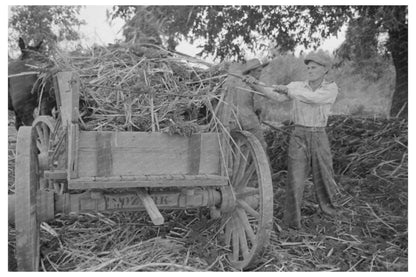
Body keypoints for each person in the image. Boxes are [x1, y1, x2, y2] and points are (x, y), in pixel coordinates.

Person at [242, 51, 339, 230]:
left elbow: (313, 99)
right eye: (308, 67)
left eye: (314, 68)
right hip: (299, 134)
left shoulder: (330, 88)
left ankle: (329, 214)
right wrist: (256, 85)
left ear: (325, 70)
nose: (310, 70)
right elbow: (276, 95)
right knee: (295, 178)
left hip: (319, 135)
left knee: (324, 175)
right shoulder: (297, 86)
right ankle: (292, 223)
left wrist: (289, 90)